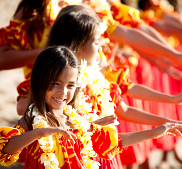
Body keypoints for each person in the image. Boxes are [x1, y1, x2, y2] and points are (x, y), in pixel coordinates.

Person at [1, 46, 181, 169]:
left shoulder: (77, 119)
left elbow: (116, 142)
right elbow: (6, 149)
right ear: (40, 82)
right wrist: (42, 132)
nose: (63, 92)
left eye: (70, 85)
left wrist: (157, 132)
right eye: (55, 83)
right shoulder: (33, 120)